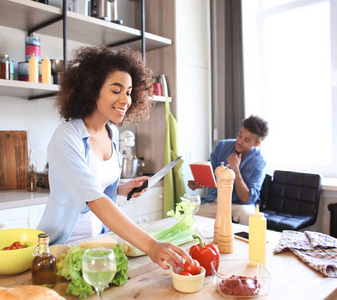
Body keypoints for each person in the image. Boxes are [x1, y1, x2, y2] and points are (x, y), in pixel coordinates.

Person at [37, 45, 192, 270]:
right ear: (92, 90)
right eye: (116, 90)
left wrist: (121, 188)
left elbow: (95, 183)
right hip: (62, 249)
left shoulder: (112, 132)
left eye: (128, 92)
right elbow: (95, 200)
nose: (125, 100)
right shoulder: (66, 137)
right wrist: (151, 245)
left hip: (97, 244)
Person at [188, 115, 269, 225]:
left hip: (241, 206)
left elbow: (247, 199)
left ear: (256, 143)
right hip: (216, 202)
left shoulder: (259, 161)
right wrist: (198, 183)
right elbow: (209, 176)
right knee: (188, 218)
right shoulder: (222, 146)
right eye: (240, 135)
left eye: (246, 140)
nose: (240, 141)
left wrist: (235, 169)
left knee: (250, 218)